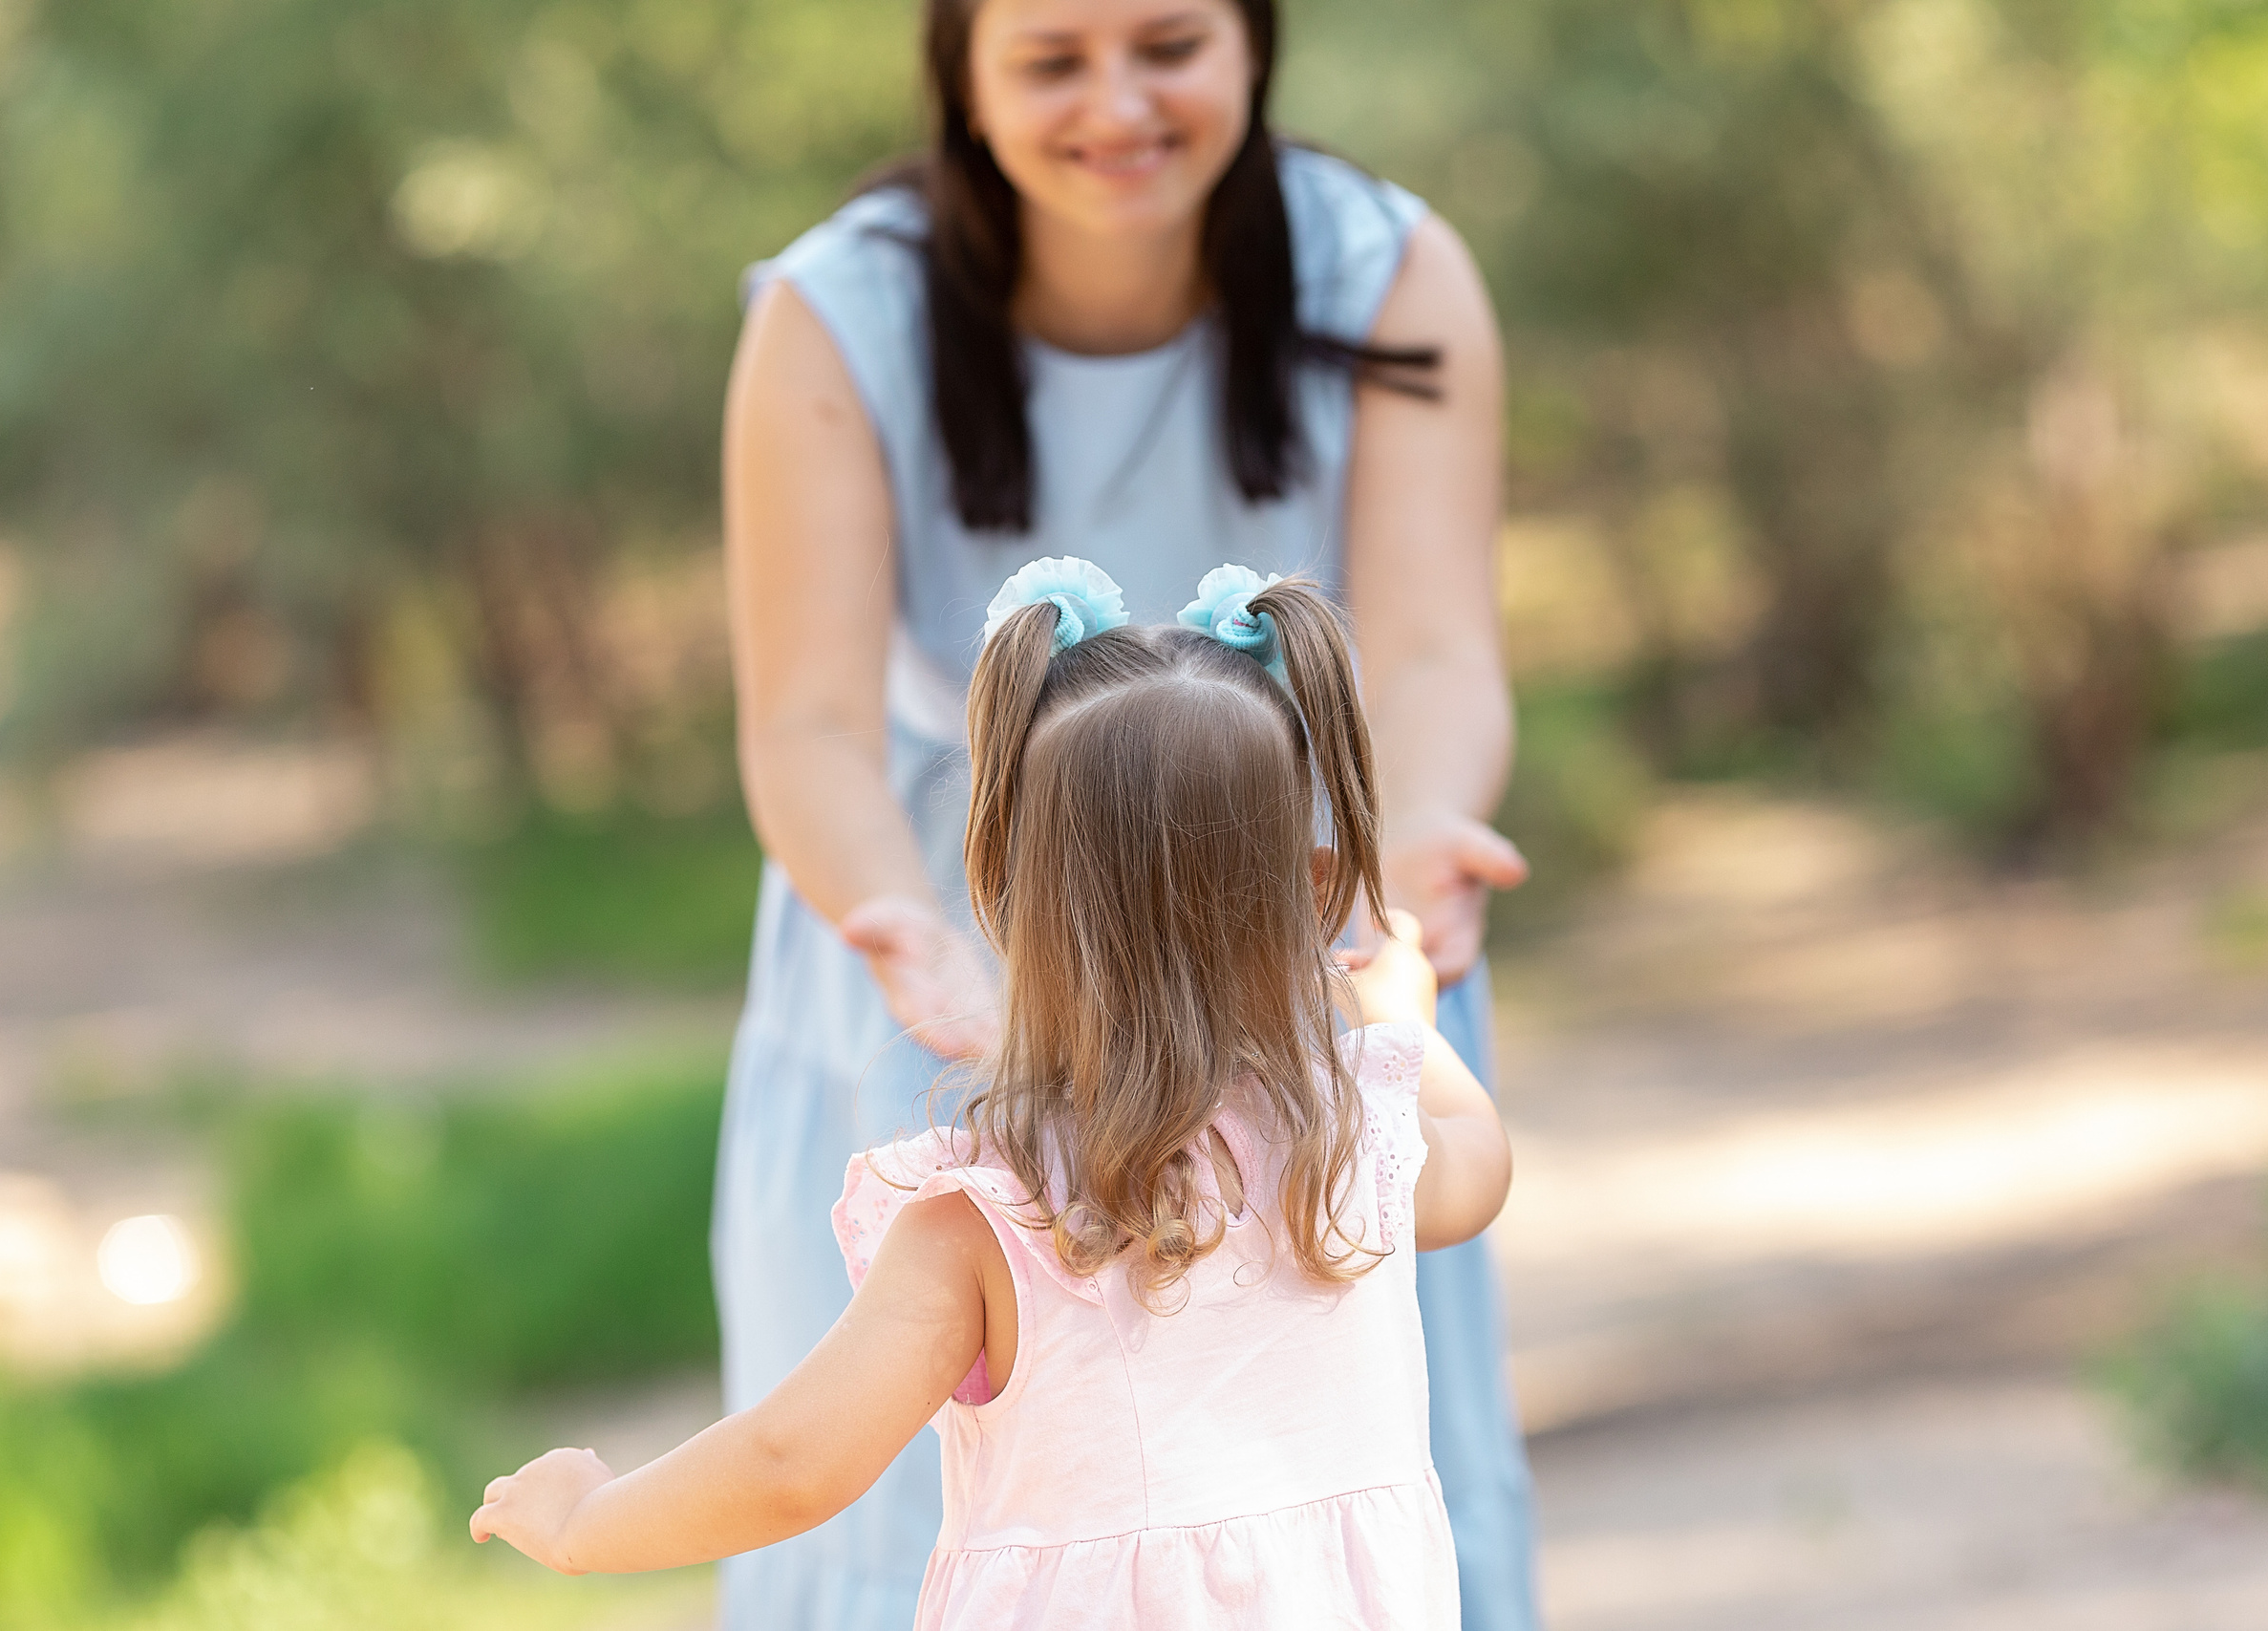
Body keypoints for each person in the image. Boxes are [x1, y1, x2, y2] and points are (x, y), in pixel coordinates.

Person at [718, 0, 1537, 1623]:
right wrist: (915, 933)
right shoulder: (838, 311)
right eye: (1051, 59)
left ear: (1253, 46)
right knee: (912, 1471)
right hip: (963, 948)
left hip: (1286, 924)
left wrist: (1410, 861)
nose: (1117, 103)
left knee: (1334, 1479)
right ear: (965, 72)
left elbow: (1436, 645)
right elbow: (806, 718)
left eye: (1168, 45)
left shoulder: (1388, 268)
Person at [472, 568, 1516, 1630]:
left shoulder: (990, 1226)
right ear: (1314, 882)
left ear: (1002, 889)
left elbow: (793, 1462)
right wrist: (1404, 1025)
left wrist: (585, 1522)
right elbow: (1480, 1157)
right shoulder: (1354, 1149)